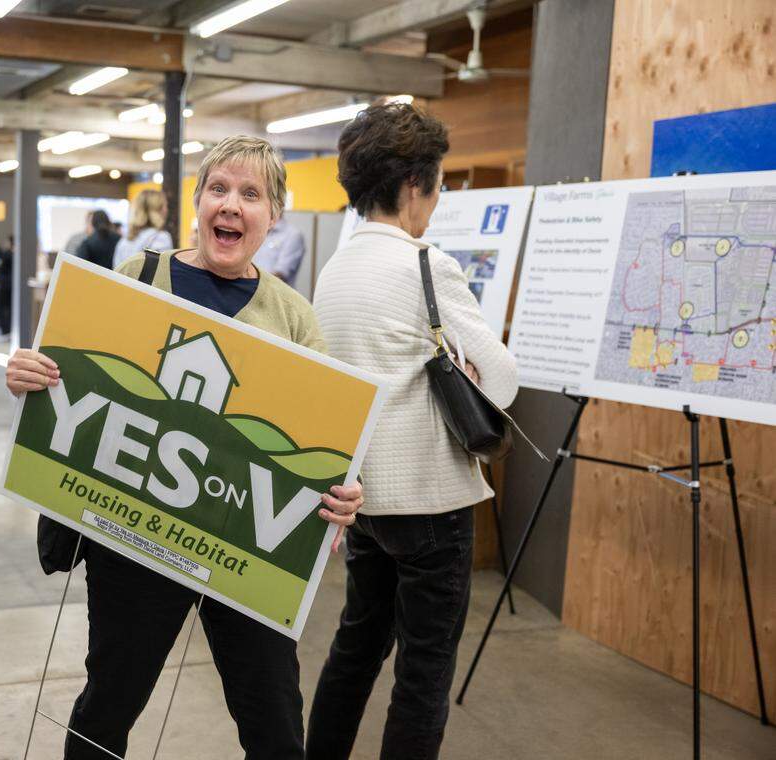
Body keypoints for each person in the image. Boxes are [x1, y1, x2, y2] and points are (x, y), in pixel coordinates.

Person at [5, 136, 364, 760]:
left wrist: (345, 492)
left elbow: (328, 442)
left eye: (251, 194)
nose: (232, 205)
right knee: (108, 706)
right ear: (197, 203)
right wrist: (29, 376)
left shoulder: (294, 316)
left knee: (276, 724)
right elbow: (75, 384)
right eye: (219, 189)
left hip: (248, 554)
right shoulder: (137, 279)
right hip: (135, 543)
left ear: (273, 216)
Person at [308, 103, 519, 760]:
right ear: (410, 187)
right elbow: (504, 380)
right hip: (432, 503)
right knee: (424, 674)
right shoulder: (427, 265)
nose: (436, 199)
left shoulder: (333, 270)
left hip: (365, 501)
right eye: (437, 183)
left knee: (355, 648)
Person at [111, 188, 173, 269]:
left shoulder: (124, 241)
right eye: (165, 206)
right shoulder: (161, 237)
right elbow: (162, 274)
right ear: (158, 210)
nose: (167, 210)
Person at [252, 216, 306, 289]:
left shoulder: (292, 235)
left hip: (274, 295)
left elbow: (280, 274)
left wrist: (249, 284)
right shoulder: (255, 231)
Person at [0, 234, 14, 336]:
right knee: (10, 307)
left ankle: (5, 330)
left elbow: (1, 268)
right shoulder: (17, 254)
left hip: (5, 284)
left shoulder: (7, 254)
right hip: (12, 285)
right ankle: (9, 329)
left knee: (0, 306)